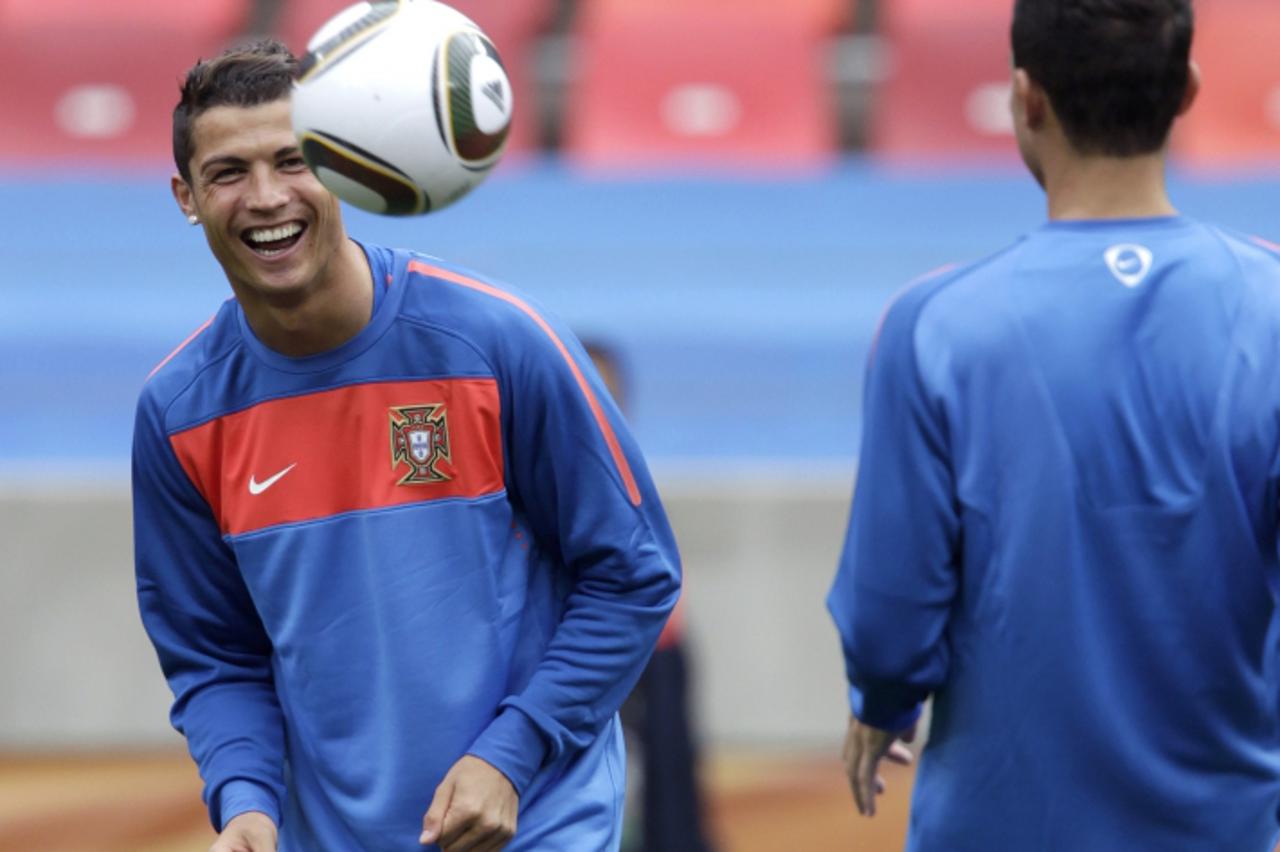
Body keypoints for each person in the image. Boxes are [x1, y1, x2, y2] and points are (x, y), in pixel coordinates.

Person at [132, 39, 681, 852]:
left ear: (346, 169)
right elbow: (215, 654)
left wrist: (513, 752)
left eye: (295, 161)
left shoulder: (499, 343)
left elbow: (634, 574)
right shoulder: (177, 415)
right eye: (228, 173)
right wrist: (245, 801)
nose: (267, 197)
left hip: (533, 825)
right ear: (186, 196)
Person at [827, 0, 1280, 848]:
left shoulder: (936, 325)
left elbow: (892, 614)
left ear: (1025, 98)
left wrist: (882, 703)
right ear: (1187, 90)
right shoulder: (1272, 307)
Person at [582, 340, 716, 852]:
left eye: (609, 401)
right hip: (591, 663)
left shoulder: (635, 490)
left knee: (668, 801)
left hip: (656, 656)